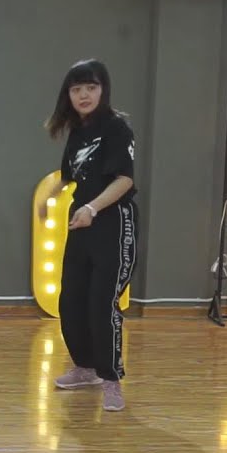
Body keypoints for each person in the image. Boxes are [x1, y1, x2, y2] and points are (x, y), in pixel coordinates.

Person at [37, 59, 138, 412]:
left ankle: (111, 380)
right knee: (71, 301)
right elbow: (69, 175)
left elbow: (124, 180)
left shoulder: (117, 128)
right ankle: (85, 368)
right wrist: (50, 198)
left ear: (103, 90)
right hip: (81, 224)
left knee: (101, 304)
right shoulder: (78, 132)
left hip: (113, 224)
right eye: (76, 89)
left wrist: (93, 208)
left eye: (91, 88)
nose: (83, 95)